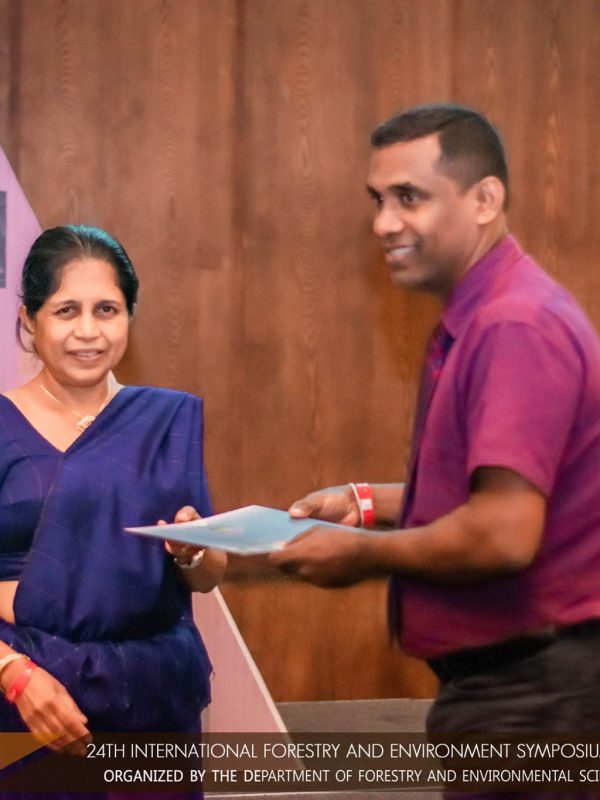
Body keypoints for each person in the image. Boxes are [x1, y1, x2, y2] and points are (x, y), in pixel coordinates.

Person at [270, 104, 600, 797]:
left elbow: (503, 532)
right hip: (524, 691)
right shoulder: (488, 312)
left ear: (485, 199)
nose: (384, 223)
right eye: (378, 200)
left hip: (536, 694)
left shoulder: (514, 324)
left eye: (409, 198)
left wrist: (360, 554)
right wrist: (365, 504)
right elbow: (500, 492)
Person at [0, 225, 226, 794]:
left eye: (107, 310)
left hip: (152, 696)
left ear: (129, 316)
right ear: (29, 319)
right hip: (28, 700)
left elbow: (205, 576)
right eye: (66, 310)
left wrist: (192, 550)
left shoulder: (162, 422)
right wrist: (13, 674)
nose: (88, 331)